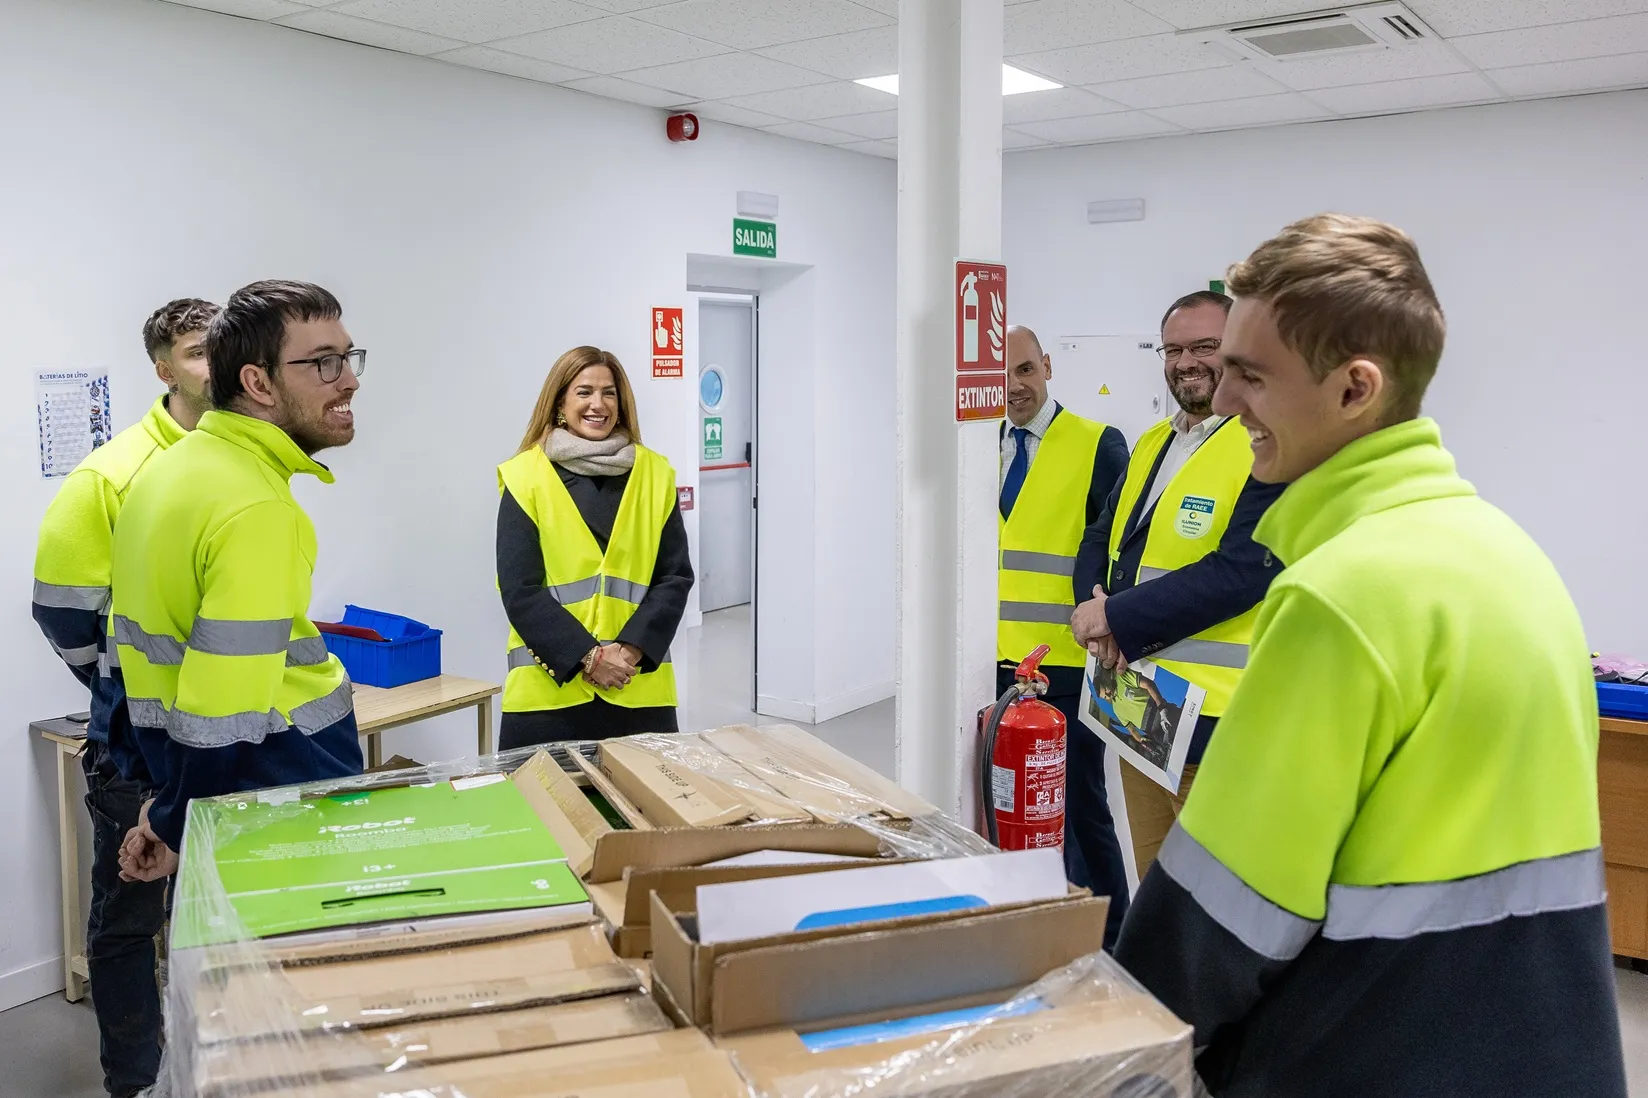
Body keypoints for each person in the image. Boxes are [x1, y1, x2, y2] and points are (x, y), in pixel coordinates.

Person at [1115, 215, 1626, 1097]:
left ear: (1356, 390)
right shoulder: (1510, 556)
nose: (1226, 403)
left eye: (1251, 375)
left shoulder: (1340, 596)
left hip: (1371, 1059)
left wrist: (1114, 1047)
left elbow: (1219, 921)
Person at [113, 280, 366, 884]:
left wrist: (170, 815)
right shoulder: (258, 508)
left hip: (199, 787)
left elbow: (163, 667)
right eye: (324, 363)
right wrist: (183, 820)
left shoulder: (168, 470)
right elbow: (221, 709)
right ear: (257, 383)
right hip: (274, 797)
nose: (350, 379)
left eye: (349, 357)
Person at [30, 297, 216, 1098]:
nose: (214, 363)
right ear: (163, 367)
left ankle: (219, 1075)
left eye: (224, 347)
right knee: (127, 924)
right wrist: (122, 687)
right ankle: (135, 1084)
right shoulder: (112, 473)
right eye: (197, 350)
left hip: (226, 740)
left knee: (215, 926)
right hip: (137, 750)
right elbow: (64, 612)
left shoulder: (248, 459)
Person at [1070, 291, 1283, 878]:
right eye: (1173, 349)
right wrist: (1093, 607)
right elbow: (1102, 537)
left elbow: (1244, 571)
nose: (1185, 361)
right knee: (1155, 881)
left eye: (1205, 347)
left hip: (1214, 718)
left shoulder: (1266, 443)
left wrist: (1117, 619)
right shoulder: (1153, 442)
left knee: (1216, 899)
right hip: (1138, 704)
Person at [994, 324, 1130, 944]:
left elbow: (1114, 548)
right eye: (1000, 374)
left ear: (1047, 366)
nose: (1013, 386)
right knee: (1008, 798)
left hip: (1068, 660)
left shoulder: (1097, 444)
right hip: (992, 661)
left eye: (1024, 370)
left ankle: (1109, 932)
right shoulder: (978, 445)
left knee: (1079, 804)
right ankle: (1029, 918)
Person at [497, 346, 692, 748]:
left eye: (609, 393)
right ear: (560, 402)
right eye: (584, 392)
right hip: (548, 697)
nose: (597, 404)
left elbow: (674, 575)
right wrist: (589, 657)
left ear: (621, 405)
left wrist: (630, 651)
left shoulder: (655, 473)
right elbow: (520, 589)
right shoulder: (524, 476)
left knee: (639, 812)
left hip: (636, 688)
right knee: (541, 812)